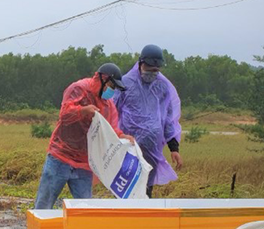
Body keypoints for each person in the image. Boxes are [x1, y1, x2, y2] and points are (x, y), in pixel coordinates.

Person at [34, 63, 135, 209]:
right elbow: (64, 114)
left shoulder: (108, 105)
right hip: (60, 157)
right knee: (44, 203)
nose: (111, 91)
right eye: (111, 86)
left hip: (84, 163)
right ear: (102, 79)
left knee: (85, 207)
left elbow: (111, 129)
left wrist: (122, 136)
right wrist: (83, 111)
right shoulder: (78, 89)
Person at [115, 44, 183, 198]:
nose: (152, 73)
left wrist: (174, 148)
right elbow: (112, 111)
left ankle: (141, 221)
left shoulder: (162, 86)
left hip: (152, 150)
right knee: (124, 189)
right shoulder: (125, 83)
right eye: (150, 69)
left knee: (145, 191)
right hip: (128, 148)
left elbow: (168, 120)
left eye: (156, 70)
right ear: (141, 63)